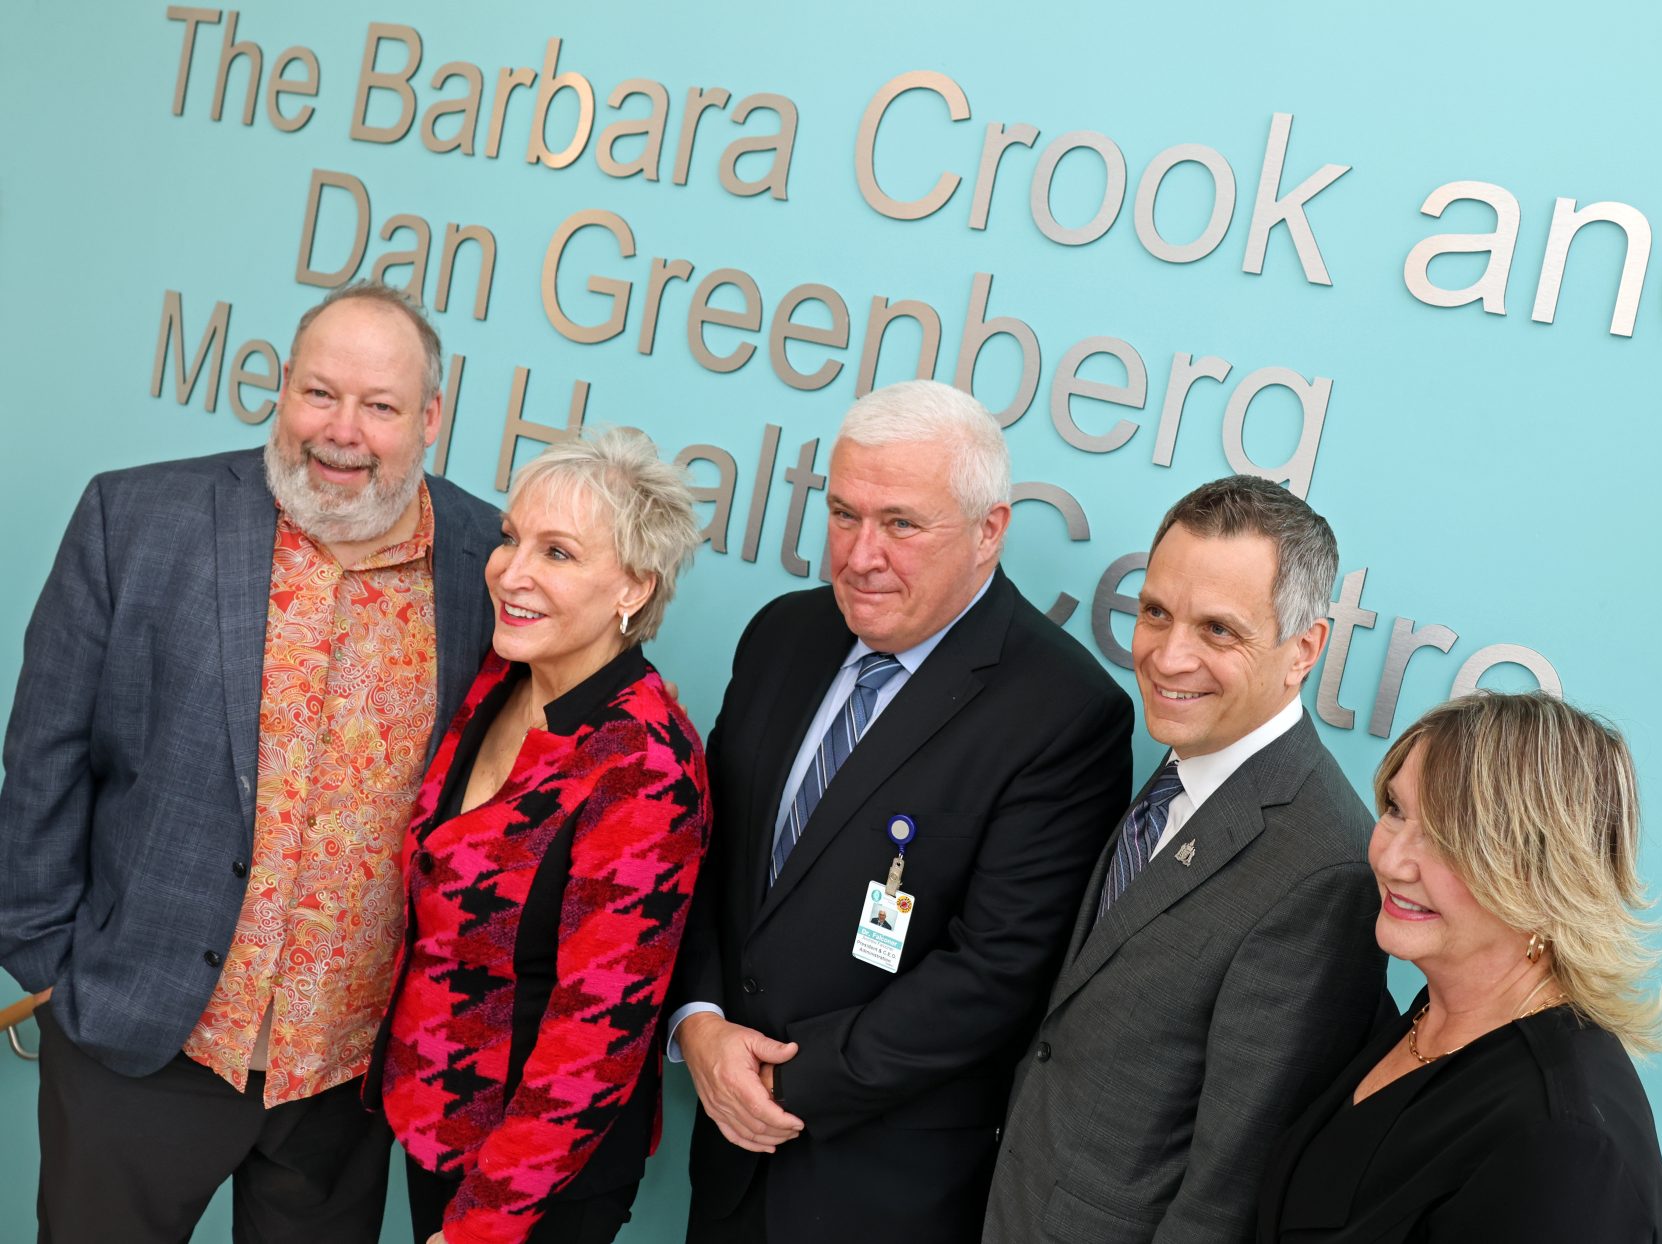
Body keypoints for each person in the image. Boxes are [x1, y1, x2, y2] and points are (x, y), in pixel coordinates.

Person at [0, 280, 499, 1242]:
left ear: (431, 417)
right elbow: (44, 754)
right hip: (141, 1042)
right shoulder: (137, 517)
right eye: (319, 393)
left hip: (344, 1079)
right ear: (281, 388)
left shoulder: (486, 561)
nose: (342, 431)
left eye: (381, 406)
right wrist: (50, 961)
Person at [668, 379, 1135, 1244]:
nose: (859, 555)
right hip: (727, 1161)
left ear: (989, 530)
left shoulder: (1064, 710)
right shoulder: (782, 636)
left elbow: (998, 971)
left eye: (901, 524)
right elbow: (705, 858)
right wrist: (697, 1024)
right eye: (844, 514)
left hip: (881, 1192)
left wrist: (781, 1085)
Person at [984, 474, 1388, 1243]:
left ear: (1303, 649)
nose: (1168, 658)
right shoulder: (1188, 760)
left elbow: (1231, 1188)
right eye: (1157, 612)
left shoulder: (1324, 870)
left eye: (1218, 631)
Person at [367, 427, 711, 1244]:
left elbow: (598, 1034)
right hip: (432, 1121)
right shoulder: (500, 676)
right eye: (512, 538)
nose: (511, 573)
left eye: (557, 553)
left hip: (533, 1180)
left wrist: (483, 1225)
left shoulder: (646, 763)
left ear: (633, 587)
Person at [1256, 691, 1662, 1242]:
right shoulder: (1438, 1014)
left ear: (1548, 876)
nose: (1392, 859)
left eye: (1450, 841)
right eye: (1397, 810)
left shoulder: (1566, 1150)